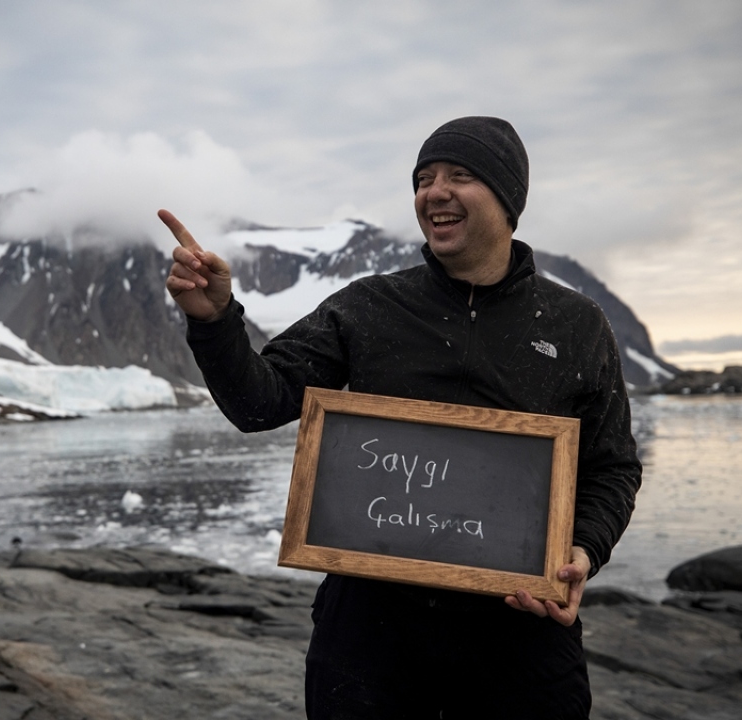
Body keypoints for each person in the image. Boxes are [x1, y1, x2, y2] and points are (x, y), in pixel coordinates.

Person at [159, 116, 641, 719]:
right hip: (368, 642)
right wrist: (214, 321)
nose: (433, 192)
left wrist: (583, 551)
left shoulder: (576, 325)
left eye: (459, 176)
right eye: (423, 178)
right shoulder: (370, 306)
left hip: (520, 639)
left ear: (508, 198)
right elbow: (261, 402)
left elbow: (613, 466)